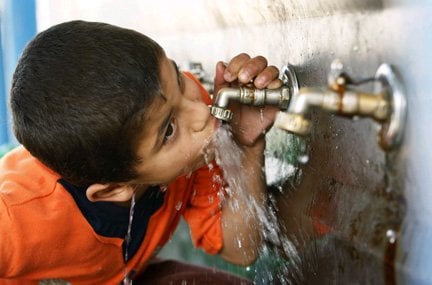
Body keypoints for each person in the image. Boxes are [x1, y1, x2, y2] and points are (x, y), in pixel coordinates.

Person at [0, 20, 282, 284]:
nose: (201, 113)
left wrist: (246, 146)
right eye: (169, 130)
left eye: (179, 81)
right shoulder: (17, 221)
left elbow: (240, 249)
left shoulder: (183, 122)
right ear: (113, 190)